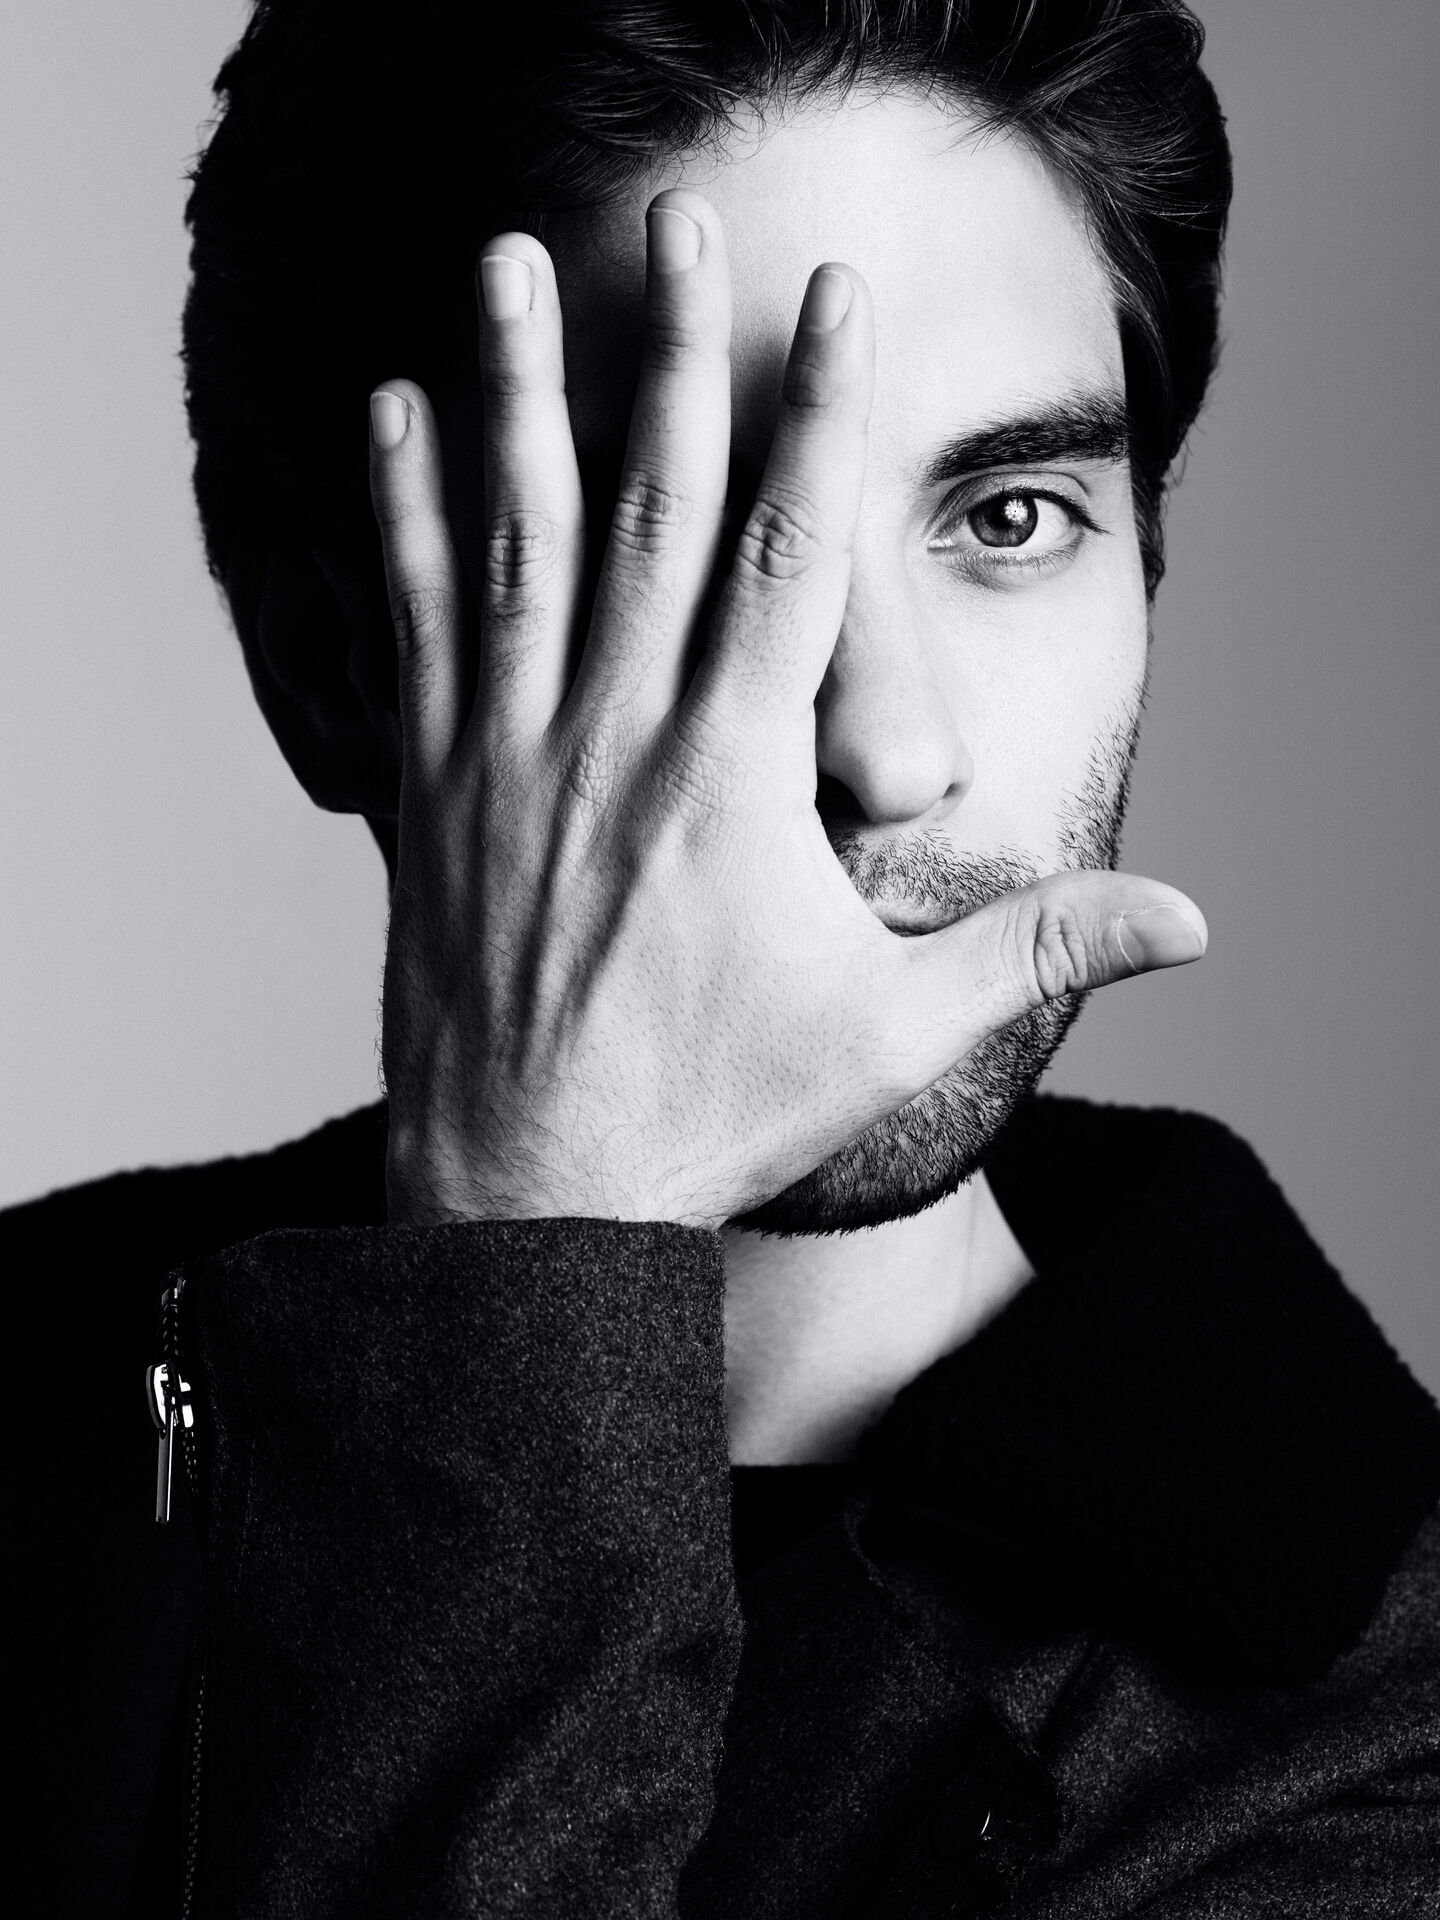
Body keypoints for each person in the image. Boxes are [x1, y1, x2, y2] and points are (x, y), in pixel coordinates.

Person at [9, 1, 1440, 1914]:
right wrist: (537, 1239)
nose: (891, 746)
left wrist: (531, 1249)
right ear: (334, 661)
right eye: (679, 536)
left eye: (1011, 517)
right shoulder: (35, 1423)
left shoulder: (1370, 1720)